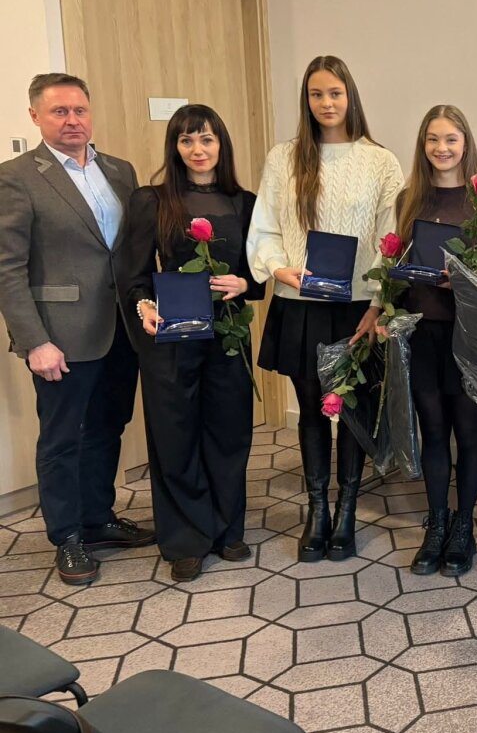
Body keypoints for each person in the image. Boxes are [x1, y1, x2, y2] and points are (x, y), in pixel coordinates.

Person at [247, 55, 404, 562]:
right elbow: (265, 226)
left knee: (351, 409)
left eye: (335, 92)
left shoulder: (380, 161)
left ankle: (348, 511)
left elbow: (392, 238)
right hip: (302, 302)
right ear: (307, 100)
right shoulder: (284, 157)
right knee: (314, 409)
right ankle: (318, 510)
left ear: (350, 96)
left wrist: (379, 303)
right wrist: (279, 268)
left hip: (356, 306)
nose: (326, 102)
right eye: (316, 94)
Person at [0, 73, 154, 586]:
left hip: (121, 329)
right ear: (35, 116)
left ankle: (97, 518)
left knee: (109, 427)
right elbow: (8, 269)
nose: (73, 120)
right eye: (60, 111)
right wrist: (34, 342)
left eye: (80, 110)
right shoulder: (17, 177)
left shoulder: (120, 170)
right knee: (63, 439)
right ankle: (66, 535)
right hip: (61, 337)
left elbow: (130, 251)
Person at [124, 105, 265, 582]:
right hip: (171, 337)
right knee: (175, 435)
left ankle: (227, 529)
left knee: (229, 433)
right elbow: (132, 273)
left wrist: (245, 284)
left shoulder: (245, 203)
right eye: (187, 140)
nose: (198, 149)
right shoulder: (151, 200)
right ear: (175, 147)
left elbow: (258, 272)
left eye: (207, 139)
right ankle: (186, 538)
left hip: (228, 335)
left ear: (221, 144)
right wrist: (144, 307)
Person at [393, 105, 477, 577]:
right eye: (432, 139)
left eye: (450, 139)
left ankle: (464, 526)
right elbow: (398, 265)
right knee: (433, 431)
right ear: (423, 145)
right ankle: (437, 523)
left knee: (468, 432)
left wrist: (466, 276)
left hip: (471, 334)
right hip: (423, 331)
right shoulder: (410, 199)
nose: (441, 148)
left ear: (466, 144)